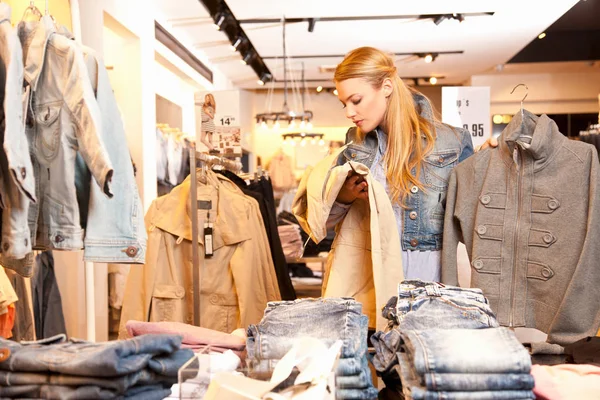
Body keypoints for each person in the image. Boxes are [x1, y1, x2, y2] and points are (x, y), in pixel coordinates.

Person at [329, 46, 494, 281]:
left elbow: (474, 221)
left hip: (429, 275)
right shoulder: (354, 145)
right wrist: (345, 195)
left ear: (386, 87)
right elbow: (323, 223)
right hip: (370, 275)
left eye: (356, 100)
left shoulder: (453, 141)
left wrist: (489, 170)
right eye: (344, 103)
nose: (349, 112)